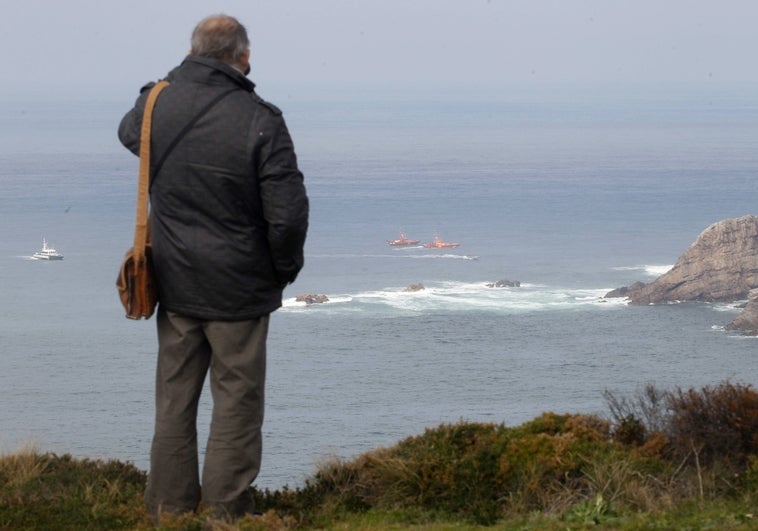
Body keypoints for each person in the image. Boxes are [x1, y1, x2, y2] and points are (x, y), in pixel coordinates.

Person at [117, 14, 308, 523]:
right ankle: (225, 514)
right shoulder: (260, 118)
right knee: (236, 404)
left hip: (175, 284)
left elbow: (129, 132)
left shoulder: (157, 104)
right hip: (240, 291)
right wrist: (281, 271)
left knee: (174, 402)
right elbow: (288, 215)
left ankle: (169, 511)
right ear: (242, 57)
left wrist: (174, 79)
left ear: (192, 52)